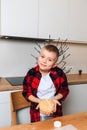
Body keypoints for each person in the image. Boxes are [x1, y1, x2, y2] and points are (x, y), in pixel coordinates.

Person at [22, 44, 69, 122]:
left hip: (55, 112)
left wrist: (54, 99)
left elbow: (64, 90)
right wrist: (40, 101)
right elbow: (26, 93)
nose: (44, 61)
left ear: (54, 64)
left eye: (49, 60)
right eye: (42, 57)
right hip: (36, 113)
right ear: (38, 57)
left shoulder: (59, 73)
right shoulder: (31, 73)